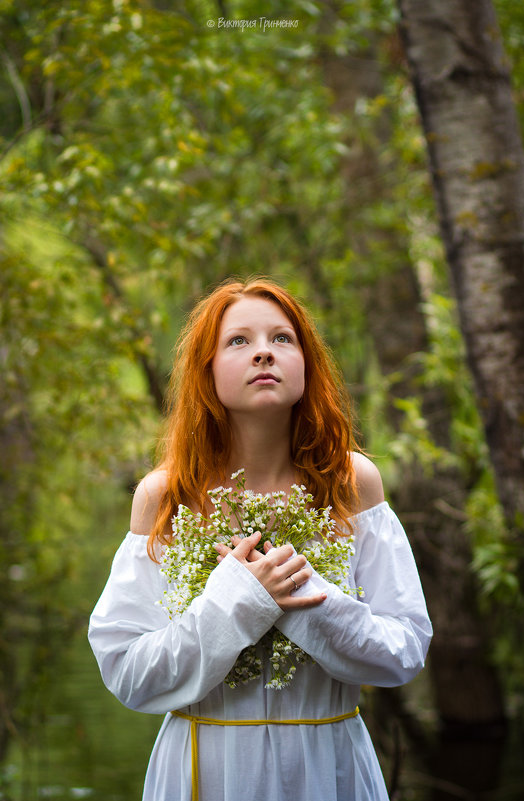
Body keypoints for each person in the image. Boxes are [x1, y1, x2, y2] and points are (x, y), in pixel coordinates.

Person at [88, 277, 432, 801]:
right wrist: (238, 604)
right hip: (207, 768)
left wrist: (307, 604)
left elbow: (403, 651)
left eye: (282, 339)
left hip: (327, 767)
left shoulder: (351, 482)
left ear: (306, 363)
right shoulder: (166, 496)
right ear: (207, 370)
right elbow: (131, 673)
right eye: (239, 341)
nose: (264, 353)